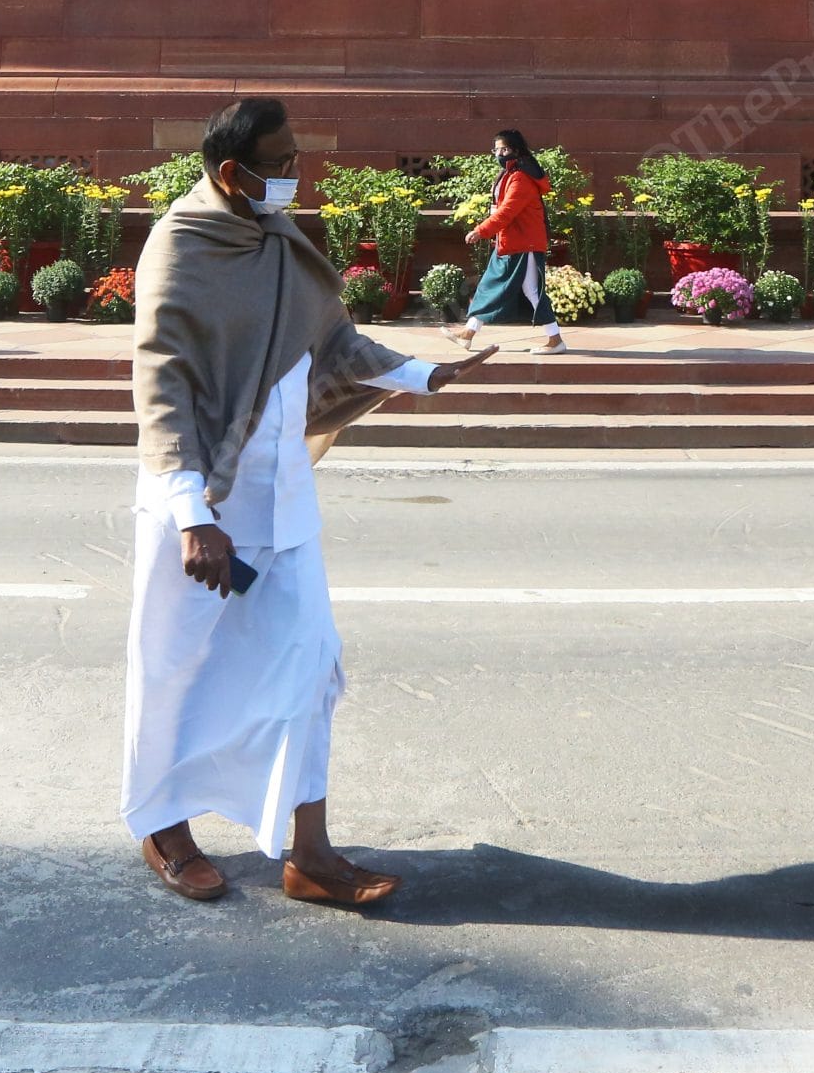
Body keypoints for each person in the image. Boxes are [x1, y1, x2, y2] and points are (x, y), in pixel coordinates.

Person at [125, 97, 496, 909]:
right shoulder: (181, 247)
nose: (296, 174)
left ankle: (311, 855)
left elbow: (333, 342)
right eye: (281, 162)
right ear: (233, 172)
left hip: (282, 501)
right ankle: (164, 827)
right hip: (205, 506)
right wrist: (192, 516)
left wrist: (421, 373)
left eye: (296, 158)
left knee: (308, 669)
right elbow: (162, 381)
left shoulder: (279, 238)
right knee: (177, 671)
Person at [442, 128, 563, 355]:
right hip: (512, 243)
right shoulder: (511, 174)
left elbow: (507, 212)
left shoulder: (521, 178)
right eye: (497, 150)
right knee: (492, 287)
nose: (499, 154)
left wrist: (481, 231)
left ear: (516, 150)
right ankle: (468, 333)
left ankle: (555, 340)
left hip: (523, 245)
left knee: (530, 291)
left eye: (504, 149)